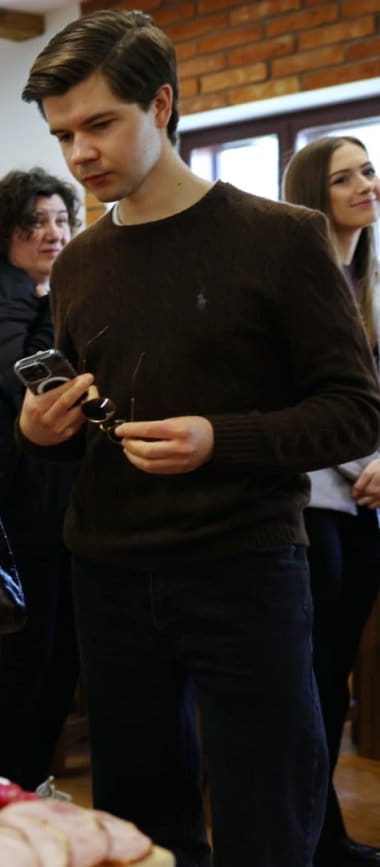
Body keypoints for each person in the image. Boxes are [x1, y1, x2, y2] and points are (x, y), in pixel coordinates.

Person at [18, 11, 380, 866]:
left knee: (266, 817)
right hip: (108, 573)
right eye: (63, 134)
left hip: (244, 568)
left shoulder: (282, 238)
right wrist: (46, 431)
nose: (80, 155)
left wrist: (222, 438)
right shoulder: (77, 264)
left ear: (163, 104)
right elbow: (87, 422)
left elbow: (356, 410)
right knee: (142, 825)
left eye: (100, 124)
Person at [0, 167, 80, 790]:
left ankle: (26, 782)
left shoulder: (26, 290)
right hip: (21, 505)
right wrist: (57, 303)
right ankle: (11, 784)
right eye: (36, 222)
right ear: (4, 230)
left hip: (45, 499)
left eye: (61, 219)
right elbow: (22, 376)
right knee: (36, 657)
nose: (52, 233)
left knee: (57, 654)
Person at [284, 136, 380, 867]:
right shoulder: (298, 272)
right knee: (310, 677)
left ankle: (327, 835)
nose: (364, 185)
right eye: (344, 177)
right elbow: (313, 400)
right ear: (314, 192)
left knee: (338, 671)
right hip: (312, 499)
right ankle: (313, 838)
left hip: (367, 500)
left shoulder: (372, 279)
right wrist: (367, 456)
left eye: (369, 170)